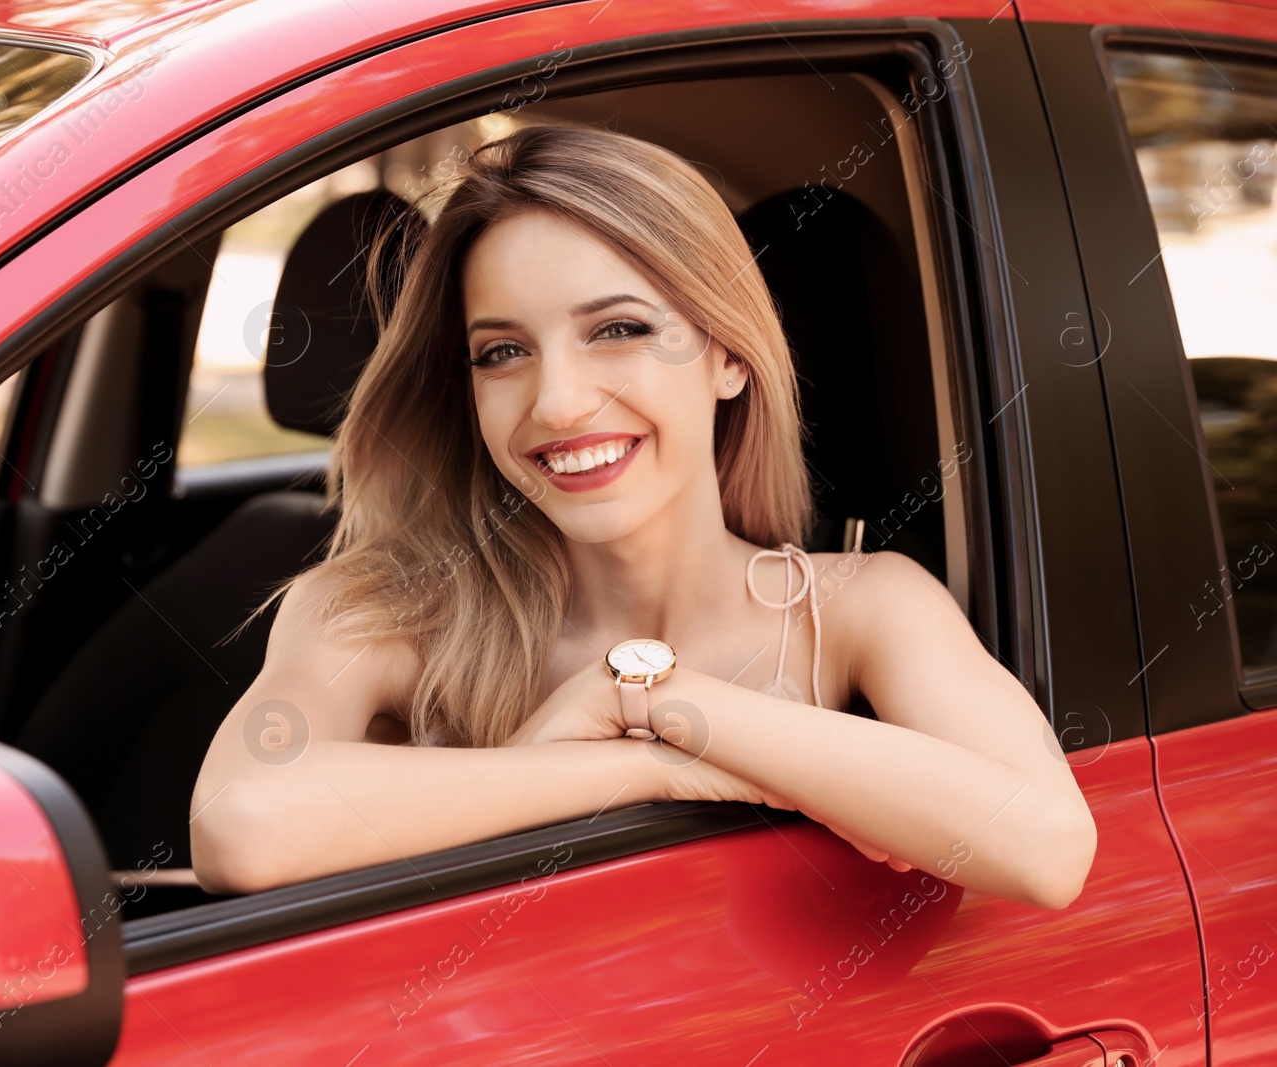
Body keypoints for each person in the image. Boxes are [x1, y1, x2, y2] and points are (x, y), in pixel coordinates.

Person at [188, 123, 1096, 907]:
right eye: (502, 351)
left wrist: (672, 704)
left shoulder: (860, 607)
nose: (558, 403)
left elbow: (1047, 845)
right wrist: (656, 766)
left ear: (729, 356)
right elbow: (243, 826)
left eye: (616, 329)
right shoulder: (387, 610)